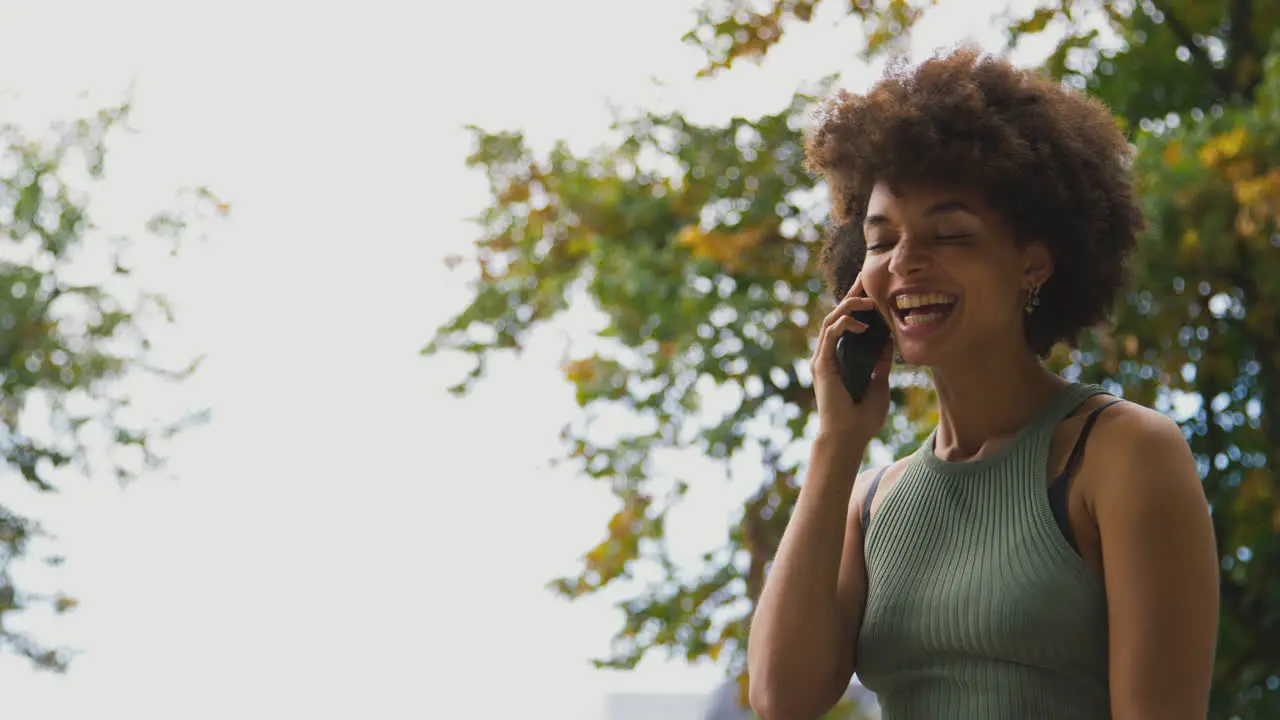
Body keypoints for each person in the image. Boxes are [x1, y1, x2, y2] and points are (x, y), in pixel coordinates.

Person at [745, 48, 1219, 720]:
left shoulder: (1123, 453)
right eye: (881, 242)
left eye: (948, 235)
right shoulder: (871, 501)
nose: (905, 263)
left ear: (1033, 261)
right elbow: (779, 698)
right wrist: (834, 440)